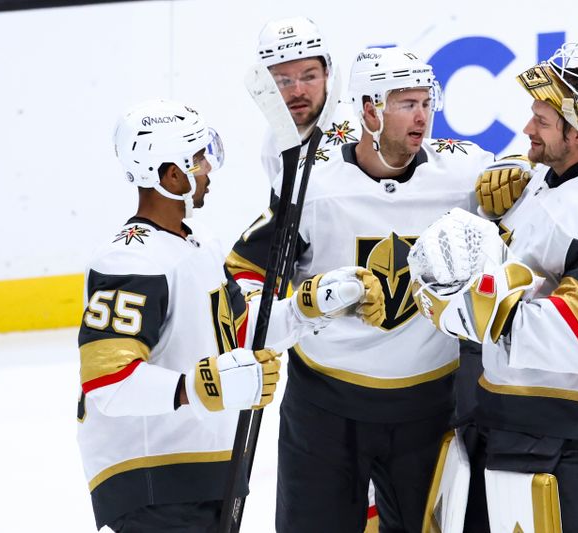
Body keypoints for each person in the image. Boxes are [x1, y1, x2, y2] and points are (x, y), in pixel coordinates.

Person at [77, 99, 385, 532]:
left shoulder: (197, 242)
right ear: (170, 175)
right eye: (198, 159)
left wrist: (305, 308)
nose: (208, 169)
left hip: (210, 474)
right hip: (152, 481)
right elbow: (106, 381)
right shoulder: (132, 258)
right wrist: (195, 387)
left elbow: (238, 335)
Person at [226, 47, 495, 533]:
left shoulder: (465, 176)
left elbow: (529, 192)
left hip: (431, 410)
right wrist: (302, 307)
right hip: (324, 413)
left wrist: (518, 175)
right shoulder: (312, 182)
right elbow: (243, 283)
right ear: (369, 110)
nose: (422, 116)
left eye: (426, 101)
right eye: (406, 103)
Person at [410, 41, 578, 532]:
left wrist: (475, 312)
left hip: (575, 435)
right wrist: (499, 210)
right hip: (524, 424)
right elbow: (527, 263)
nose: (528, 129)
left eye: (542, 121)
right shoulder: (552, 181)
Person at [252, 16, 361, 188]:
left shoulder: (361, 126)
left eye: (309, 77)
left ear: (327, 72)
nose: (297, 91)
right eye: (284, 81)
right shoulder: (273, 141)